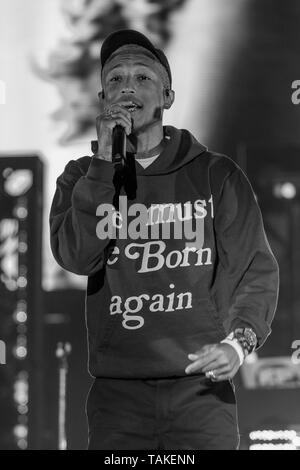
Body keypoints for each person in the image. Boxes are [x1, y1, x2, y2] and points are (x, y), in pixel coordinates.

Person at [49, 29, 279, 450]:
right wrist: (104, 164)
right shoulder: (81, 176)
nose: (127, 87)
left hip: (201, 393)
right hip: (118, 397)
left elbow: (255, 270)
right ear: (103, 100)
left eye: (142, 78)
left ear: (168, 97)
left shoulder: (216, 175)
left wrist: (239, 342)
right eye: (115, 79)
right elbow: (76, 256)